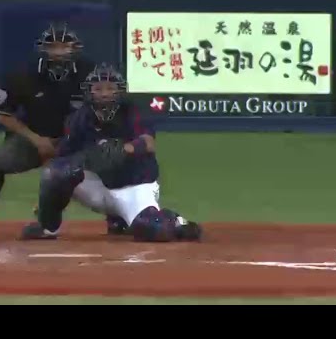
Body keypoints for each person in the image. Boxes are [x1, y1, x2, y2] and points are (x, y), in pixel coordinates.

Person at [20, 63, 203, 242]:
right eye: (98, 88)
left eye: (110, 88)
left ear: (119, 90)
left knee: (153, 229)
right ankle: (48, 227)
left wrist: (124, 149)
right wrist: (51, 199)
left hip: (135, 185)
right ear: (89, 91)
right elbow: (62, 157)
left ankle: (176, 221)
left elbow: (148, 143)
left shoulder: (132, 111)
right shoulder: (80, 118)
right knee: (55, 173)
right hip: (98, 185)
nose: (104, 93)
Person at [0, 23, 95, 235]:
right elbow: (3, 114)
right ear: (43, 49)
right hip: (33, 139)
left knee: (110, 155)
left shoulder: (89, 73)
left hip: (76, 141)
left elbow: (100, 113)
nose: (59, 53)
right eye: (53, 47)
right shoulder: (23, 74)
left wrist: (69, 142)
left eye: (64, 46)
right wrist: (36, 140)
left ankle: (117, 218)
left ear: (74, 49)